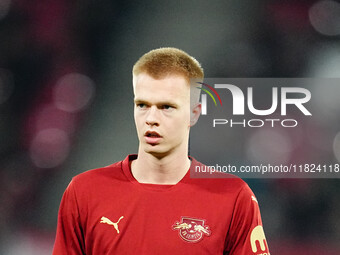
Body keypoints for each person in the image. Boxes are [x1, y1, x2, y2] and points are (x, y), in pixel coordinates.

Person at [53, 47, 270, 254]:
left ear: (194, 114)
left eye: (166, 107)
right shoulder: (85, 192)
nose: (151, 119)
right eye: (142, 105)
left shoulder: (233, 198)